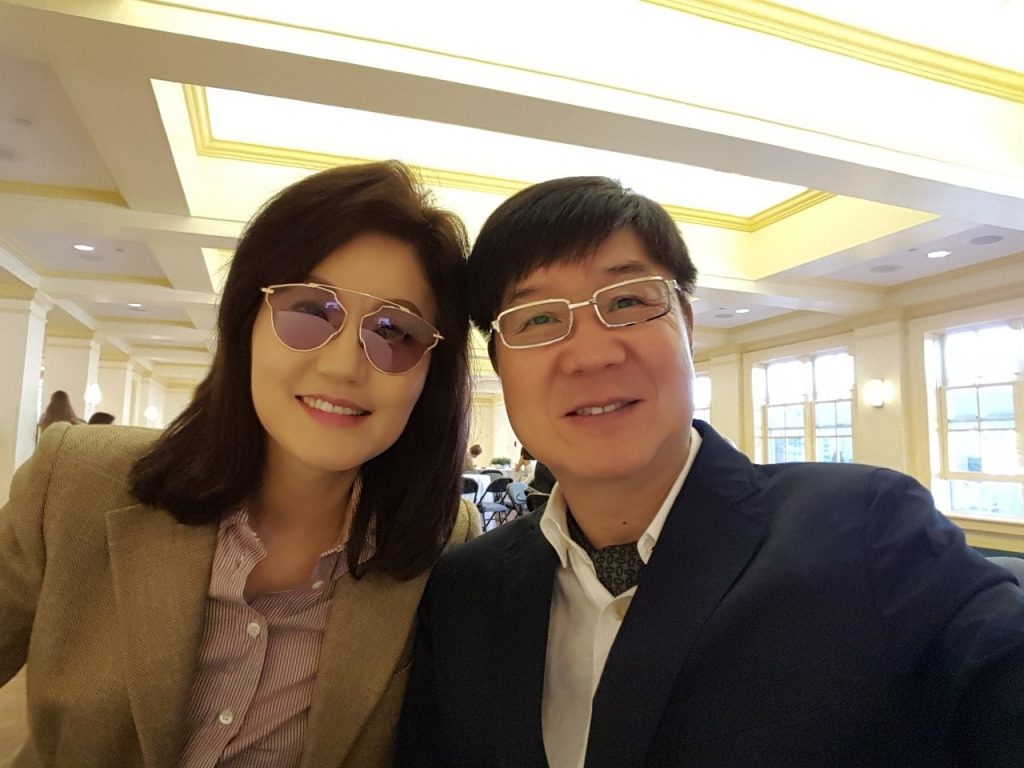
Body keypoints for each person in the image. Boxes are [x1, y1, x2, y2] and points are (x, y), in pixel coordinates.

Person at [397, 176, 1024, 767]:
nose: (590, 354)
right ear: (498, 363)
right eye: (537, 318)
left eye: (627, 301)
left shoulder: (867, 531)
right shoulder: (463, 593)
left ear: (687, 326)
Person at [0, 160, 480, 767]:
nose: (343, 366)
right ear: (245, 323)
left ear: (430, 374)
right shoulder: (76, 483)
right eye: (310, 311)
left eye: (395, 332)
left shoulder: (444, 543)